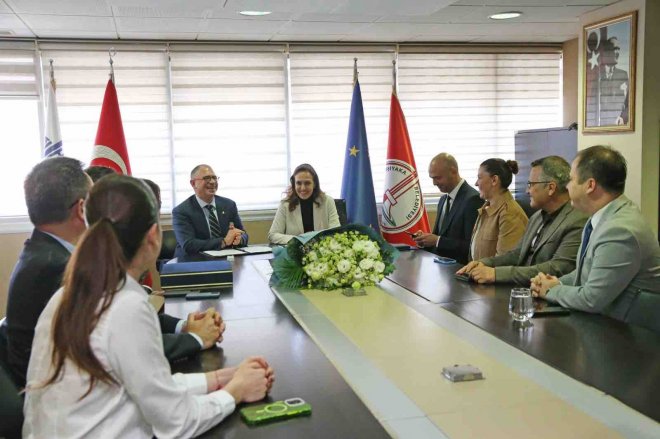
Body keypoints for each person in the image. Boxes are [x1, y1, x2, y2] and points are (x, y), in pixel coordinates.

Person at [23, 174, 274, 438]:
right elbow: (177, 422)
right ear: (153, 236)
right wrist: (235, 392)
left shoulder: (68, 293)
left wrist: (219, 379)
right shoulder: (125, 306)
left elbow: (150, 384)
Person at [2, 158, 216, 388]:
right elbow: (125, 347)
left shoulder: (50, 253)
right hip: (66, 390)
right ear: (82, 209)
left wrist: (184, 327)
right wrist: (195, 338)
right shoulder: (57, 267)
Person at [531, 146, 660, 322]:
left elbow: (591, 299)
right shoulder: (604, 216)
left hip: (632, 332)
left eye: (571, 180)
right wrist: (557, 282)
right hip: (607, 323)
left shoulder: (620, 230)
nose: (567, 186)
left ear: (590, 185)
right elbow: (587, 273)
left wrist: (550, 290)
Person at [457, 156, 587, 284]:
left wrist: (496, 274)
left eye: (531, 184)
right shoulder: (536, 217)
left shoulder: (577, 221)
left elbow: (557, 268)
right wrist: (484, 263)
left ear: (551, 188)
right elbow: (517, 254)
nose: (527, 191)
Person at [412, 153, 482, 263]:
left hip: (459, 269)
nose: (434, 183)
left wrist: (437, 241)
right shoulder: (443, 200)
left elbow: (472, 246)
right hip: (439, 266)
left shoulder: (473, 199)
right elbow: (438, 238)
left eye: (438, 178)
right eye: (432, 178)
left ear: (453, 171)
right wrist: (425, 241)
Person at [173, 164, 248, 258]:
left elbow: (243, 233)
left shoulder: (229, 205)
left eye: (214, 178)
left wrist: (239, 238)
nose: (212, 182)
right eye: (207, 178)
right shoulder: (182, 211)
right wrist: (223, 242)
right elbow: (188, 244)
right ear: (193, 183)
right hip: (192, 261)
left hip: (225, 259)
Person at [469, 158, 528, 260]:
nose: (476, 183)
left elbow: (504, 261)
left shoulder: (510, 214)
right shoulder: (486, 208)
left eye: (479, 178)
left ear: (494, 180)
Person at [268, 163, 340, 244]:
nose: (303, 188)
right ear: (294, 184)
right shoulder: (285, 204)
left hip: (321, 249)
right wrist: (300, 240)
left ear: (314, 184)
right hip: (296, 249)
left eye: (307, 183)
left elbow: (336, 232)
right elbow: (273, 235)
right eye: (298, 183)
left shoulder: (328, 201)